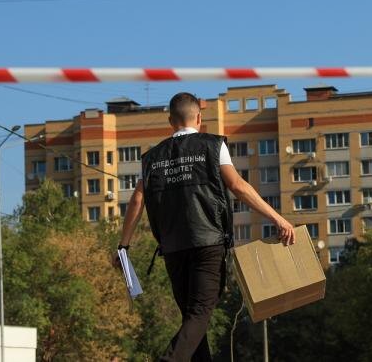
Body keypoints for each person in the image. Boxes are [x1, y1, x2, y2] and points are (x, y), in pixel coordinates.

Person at [114, 92, 295, 362]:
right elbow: (237, 186)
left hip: (173, 248)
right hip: (207, 243)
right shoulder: (212, 145)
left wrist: (123, 247)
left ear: (170, 121)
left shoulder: (152, 157)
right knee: (199, 314)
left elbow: (138, 199)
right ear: (199, 118)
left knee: (192, 319)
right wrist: (278, 218)